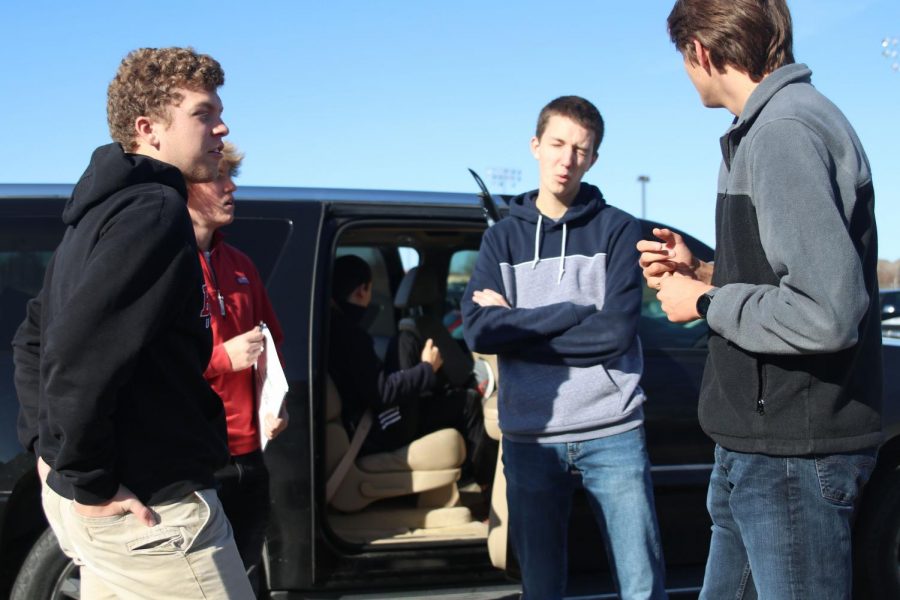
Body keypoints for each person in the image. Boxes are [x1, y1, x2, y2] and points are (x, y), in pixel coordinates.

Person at [637, 2, 882, 597]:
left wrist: (702, 301)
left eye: (683, 59)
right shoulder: (774, 124)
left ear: (699, 51)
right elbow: (785, 275)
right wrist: (705, 270)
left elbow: (827, 310)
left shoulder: (782, 132)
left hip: (792, 455)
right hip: (758, 447)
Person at [12, 47, 253, 599]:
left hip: (112, 505)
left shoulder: (99, 212)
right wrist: (86, 478)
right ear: (148, 129)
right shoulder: (154, 211)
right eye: (202, 113)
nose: (222, 125)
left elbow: (34, 336)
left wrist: (48, 456)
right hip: (153, 510)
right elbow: (76, 354)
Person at [462, 96, 666, 600]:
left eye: (580, 149)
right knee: (542, 587)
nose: (566, 158)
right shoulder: (502, 240)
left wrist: (515, 323)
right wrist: (573, 311)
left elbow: (614, 334)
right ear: (535, 146)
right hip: (531, 438)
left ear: (593, 158)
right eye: (557, 144)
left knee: (641, 585)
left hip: (613, 432)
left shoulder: (617, 229)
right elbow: (479, 333)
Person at [186, 141, 286, 593]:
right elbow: (141, 363)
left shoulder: (242, 265)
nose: (230, 189)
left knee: (244, 581)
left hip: (250, 456)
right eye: (216, 178)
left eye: (232, 178)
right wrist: (223, 357)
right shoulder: (164, 265)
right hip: (193, 463)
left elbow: (271, 349)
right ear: (184, 187)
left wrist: (276, 404)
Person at [328, 254, 447, 454]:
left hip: (361, 419)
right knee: (465, 403)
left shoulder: (332, 326)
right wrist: (427, 368)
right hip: (370, 431)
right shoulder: (350, 335)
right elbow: (381, 392)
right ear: (362, 290)